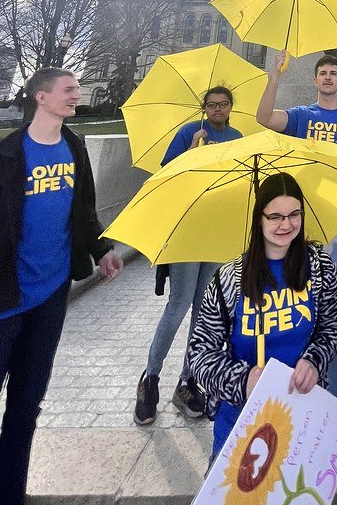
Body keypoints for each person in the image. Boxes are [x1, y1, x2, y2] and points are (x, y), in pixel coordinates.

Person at [0, 68, 123, 505]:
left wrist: (102, 249)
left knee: (25, 409)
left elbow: (84, 209)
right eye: (69, 89)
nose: (77, 94)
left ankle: (5, 497)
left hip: (50, 298)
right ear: (40, 97)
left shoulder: (74, 146)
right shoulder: (0, 155)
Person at [256, 51, 337, 447]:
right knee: (296, 308)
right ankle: (295, 396)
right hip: (301, 227)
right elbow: (264, 118)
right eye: (322, 73)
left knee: (336, 314)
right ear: (315, 80)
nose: (328, 77)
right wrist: (274, 77)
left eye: (333, 73)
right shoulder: (301, 116)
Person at [186, 172, 337, 461]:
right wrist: (242, 380)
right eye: (275, 217)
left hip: (302, 419)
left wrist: (314, 360)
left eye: (294, 214)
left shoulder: (320, 268)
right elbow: (199, 353)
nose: (286, 224)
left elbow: (332, 327)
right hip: (241, 425)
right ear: (259, 219)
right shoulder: (229, 279)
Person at [134, 85, 243, 425]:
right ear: (204, 108)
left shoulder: (237, 138)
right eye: (211, 105)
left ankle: (188, 381)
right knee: (178, 305)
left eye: (223, 104)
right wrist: (191, 153)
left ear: (231, 107)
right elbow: (166, 177)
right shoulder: (189, 133)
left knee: (204, 311)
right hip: (186, 229)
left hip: (217, 232)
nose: (217, 109)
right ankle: (150, 379)